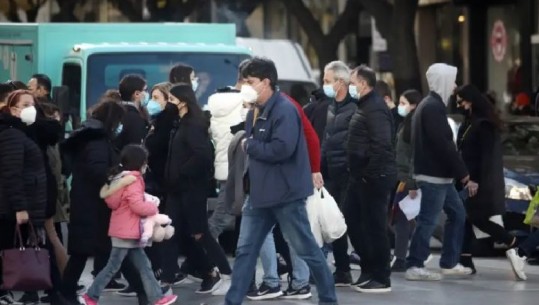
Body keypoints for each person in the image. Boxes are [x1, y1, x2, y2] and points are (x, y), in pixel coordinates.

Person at [224, 57, 337, 305]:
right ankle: (232, 301)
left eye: (250, 81)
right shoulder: (256, 110)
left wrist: (249, 145)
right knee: (245, 251)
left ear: (266, 82)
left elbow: (282, 149)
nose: (245, 86)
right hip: (259, 195)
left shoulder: (284, 109)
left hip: (286, 195)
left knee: (307, 249)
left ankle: (328, 299)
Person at [405, 63, 477, 281]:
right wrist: (464, 174)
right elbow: (444, 145)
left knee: (457, 214)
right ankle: (415, 264)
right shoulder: (433, 108)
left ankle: (448, 262)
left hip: (440, 176)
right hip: (434, 176)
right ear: (443, 81)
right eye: (452, 81)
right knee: (428, 219)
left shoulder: (430, 106)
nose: (454, 87)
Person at [82, 145, 178, 305]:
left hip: (125, 231)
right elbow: (137, 206)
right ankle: (91, 296)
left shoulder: (120, 179)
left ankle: (157, 298)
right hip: (127, 233)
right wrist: (153, 207)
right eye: (145, 162)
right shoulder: (134, 180)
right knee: (112, 267)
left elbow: (114, 203)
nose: (146, 165)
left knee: (144, 266)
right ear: (140, 163)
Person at [161, 84, 232, 295]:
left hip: (191, 190)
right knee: (170, 233)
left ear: (182, 101)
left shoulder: (192, 125)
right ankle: (166, 281)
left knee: (200, 233)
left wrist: (181, 173)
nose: (168, 104)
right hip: (176, 189)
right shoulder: (180, 123)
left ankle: (225, 273)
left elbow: (201, 156)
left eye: (171, 100)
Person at [60, 100, 132, 303]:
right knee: (87, 252)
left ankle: (68, 293)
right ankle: (67, 294)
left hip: (87, 202)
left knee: (85, 252)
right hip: (93, 205)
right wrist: (118, 176)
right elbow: (98, 171)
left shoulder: (90, 137)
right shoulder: (98, 142)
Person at [345, 65, 397, 293]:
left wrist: (369, 173)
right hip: (361, 176)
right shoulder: (364, 105)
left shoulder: (375, 108)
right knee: (352, 219)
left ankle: (381, 276)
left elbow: (382, 144)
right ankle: (368, 268)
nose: (350, 87)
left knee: (375, 227)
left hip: (374, 177)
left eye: (352, 83)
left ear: (363, 84)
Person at [455, 84, 515, 274]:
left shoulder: (484, 125)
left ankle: (511, 241)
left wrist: (476, 180)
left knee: (476, 217)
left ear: (471, 100)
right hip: (465, 179)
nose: (459, 105)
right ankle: (465, 260)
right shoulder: (468, 122)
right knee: (463, 218)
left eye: (461, 101)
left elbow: (487, 157)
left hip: (479, 181)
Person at [0, 90, 48, 305]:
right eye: (26, 104)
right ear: (14, 109)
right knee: (10, 248)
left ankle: (29, 291)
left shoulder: (23, 132)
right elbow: (12, 172)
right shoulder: (12, 134)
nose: (32, 109)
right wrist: (20, 207)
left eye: (33, 104)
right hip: (14, 206)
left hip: (24, 202)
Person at [320, 60, 356, 286]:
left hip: (348, 174)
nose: (323, 85)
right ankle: (342, 269)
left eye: (326, 80)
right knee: (333, 223)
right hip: (330, 173)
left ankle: (361, 267)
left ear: (340, 82)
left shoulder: (354, 108)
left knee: (348, 223)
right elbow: (327, 139)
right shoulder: (331, 106)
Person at [206, 70, 245, 239]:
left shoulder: (217, 101)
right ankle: (202, 253)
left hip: (223, 164)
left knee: (226, 213)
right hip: (240, 166)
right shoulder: (244, 103)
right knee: (222, 217)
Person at [391, 89, 423, 272]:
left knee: (402, 218)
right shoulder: (405, 124)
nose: (399, 107)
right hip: (401, 177)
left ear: (414, 106)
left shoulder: (415, 127)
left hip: (407, 180)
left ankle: (402, 258)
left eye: (403, 103)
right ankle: (403, 257)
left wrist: (411, 182)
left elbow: (414, 157)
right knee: (404, 219)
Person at [115, 74, 150, 150]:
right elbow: (136, 147)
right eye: (145, 90)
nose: (147, 93)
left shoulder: (115, 112)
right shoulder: (134, 118)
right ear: (137, 94)